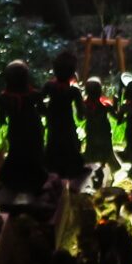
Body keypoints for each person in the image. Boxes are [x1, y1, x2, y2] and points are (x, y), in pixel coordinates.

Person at [0, 60, 49, 196]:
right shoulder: (34, 95)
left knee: (17, 150)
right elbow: (44, 110)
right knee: (32, 152)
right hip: (32, 127)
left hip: (16, 127)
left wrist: (2, 120)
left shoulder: (4, 98)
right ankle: (35, 180)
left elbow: (0, 115)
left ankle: (16, 180)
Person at [43, 50, 87, 182]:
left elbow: (38, 101)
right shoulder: (73, 91)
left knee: (53, 140)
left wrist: (45, 111)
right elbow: (81, 113)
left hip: (53, 120)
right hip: (67, 121)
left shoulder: (49, 86)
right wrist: (83, 115)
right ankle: (70, 170)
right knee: (69, 141)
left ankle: (52, 167)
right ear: (73, 74)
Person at [79, 75, 119, 184]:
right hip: (104, 134)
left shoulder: (85, 106)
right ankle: (107, 177)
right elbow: (117, 117)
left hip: (92, 134)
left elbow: (80, 117)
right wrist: (116, 104)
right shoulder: (105, 106)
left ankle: (94, 177)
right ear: (100, 91)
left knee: (92, 154)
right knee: (106, 155)